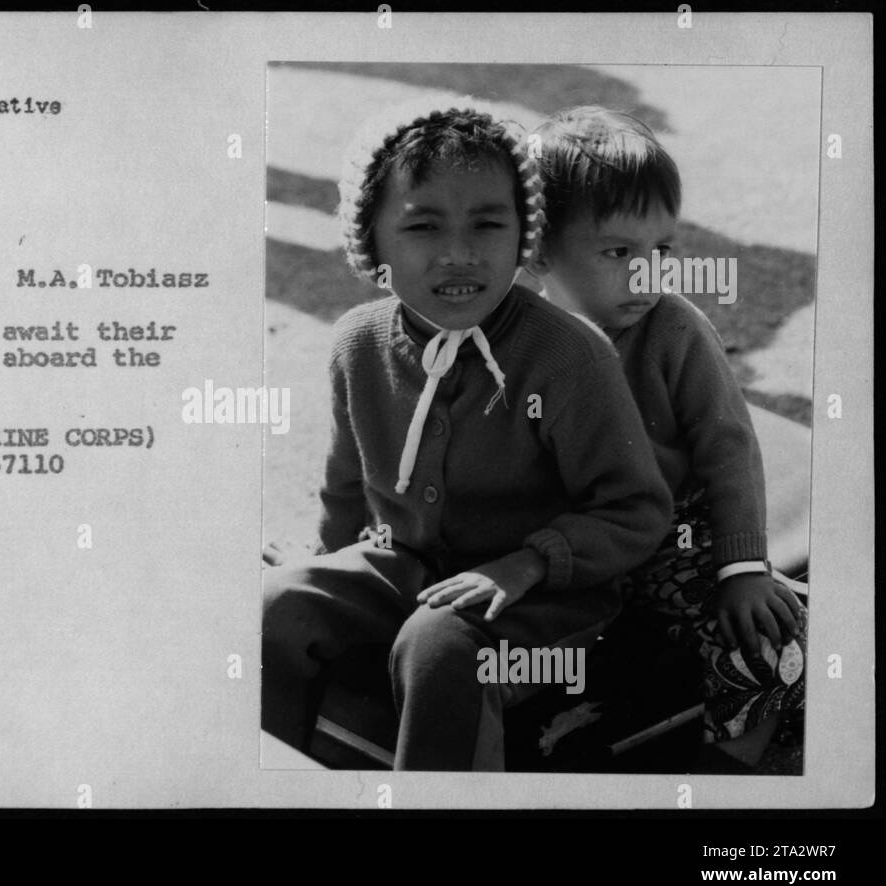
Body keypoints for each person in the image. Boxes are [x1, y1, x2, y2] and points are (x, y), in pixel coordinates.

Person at [261, 99, 672, 770]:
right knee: (277, 606)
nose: (459, 254)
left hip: (548, 602)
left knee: (441, 645)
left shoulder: (570, 357)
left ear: (524, 236)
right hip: (407, 570)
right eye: (423, 226)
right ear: (373, 243)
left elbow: (637, 509)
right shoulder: (357, 344)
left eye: (488, 223)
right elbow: (345, 489)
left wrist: (530, 562)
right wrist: (327, 576)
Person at [529, 106, 807, 769]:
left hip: (674, 533)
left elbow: (729, 448)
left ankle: (732, 761)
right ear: (537, 250)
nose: (648, 275)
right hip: (572, 544)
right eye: (618, 252)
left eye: (661, 251)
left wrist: (742, 567)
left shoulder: (675, 330)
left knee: (770, 642)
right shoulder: (516, 335)